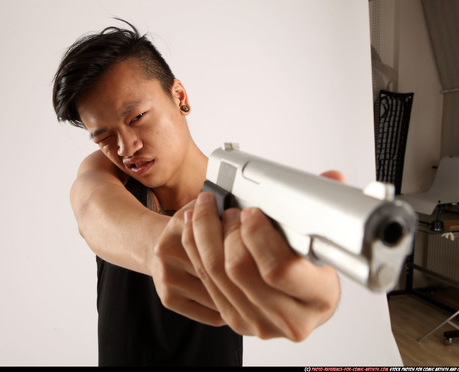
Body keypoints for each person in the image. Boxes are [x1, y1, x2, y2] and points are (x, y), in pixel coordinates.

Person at [52, 19, 342, 366]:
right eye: (103, 138)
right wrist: (164, 248)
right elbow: (91, 208)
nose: (127, 147)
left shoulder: (243, 200)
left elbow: (308, 279)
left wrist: (318, 296)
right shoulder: (104, 173)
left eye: (138, 117)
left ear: (179, 96)